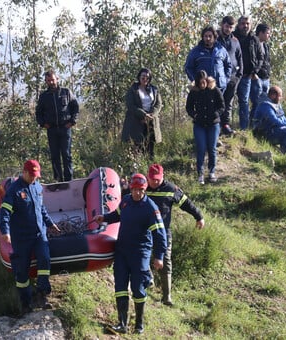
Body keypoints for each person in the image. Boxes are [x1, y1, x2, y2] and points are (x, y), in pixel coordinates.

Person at [94, 173, 166, 334]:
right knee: (120, 286)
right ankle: (122, 324)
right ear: (131, 188)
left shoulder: (151, 209)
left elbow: (160, 234)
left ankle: (139, 324)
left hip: (140, 252)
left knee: (137, 288)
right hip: (122, 250)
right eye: (134, 189)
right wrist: (104, 218)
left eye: (140, 190)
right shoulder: (126, 201)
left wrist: (159, 256)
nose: (137, 193)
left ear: (144, 189)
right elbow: (116, 215)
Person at [0, 159, 60, 315]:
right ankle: (26, 303)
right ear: (24, 172)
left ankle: (42, 294)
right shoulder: (14, 191)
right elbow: (4, 213)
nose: (34, 178)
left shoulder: (37, 187)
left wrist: (50, 224)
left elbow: (41, 208)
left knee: (44, 259)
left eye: (36, 176)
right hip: (21, 238)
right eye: (31, 175)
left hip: (39, 234)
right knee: (21, 273)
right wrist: (5, 231)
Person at [145, 163, 205, 306]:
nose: (154, 182)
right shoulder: (142, 186)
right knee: (141, 254)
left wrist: (199, 217)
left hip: (163, 232)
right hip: (143, 230)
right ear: (147, 177)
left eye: (157, 179)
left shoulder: (171, 189)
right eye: (151, 179)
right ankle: (148, 278)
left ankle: (167, 297)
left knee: (165, 262)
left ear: (163, 177)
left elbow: (186, 203)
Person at [35, 70, 79, 182]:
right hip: (52, 129)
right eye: (48, 80)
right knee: (55, 156)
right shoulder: (44, 96)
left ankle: (69, 180)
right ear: (46, 81)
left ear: (57, 79)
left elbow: (75, 107)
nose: (51, 82)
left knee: (66, 155)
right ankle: (59, 180)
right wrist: (43, 123)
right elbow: (38, 112)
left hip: (65, 128)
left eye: (53, 80)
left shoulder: (66, 92)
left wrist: (72, 121)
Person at [186, 70, 224, 184]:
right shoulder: (193, 92)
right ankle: (200, 174)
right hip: (199, 124)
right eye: (200, 83)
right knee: (201, 148)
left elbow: (222, 106)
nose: (202, 84)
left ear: (207, 81)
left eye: (204, 82)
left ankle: (212, 172)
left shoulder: (214, 90)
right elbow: (188, 107)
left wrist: (216, 113)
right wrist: (194, 115)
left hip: (213, 124)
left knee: (212, 148)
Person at [121, 68, 163, 159]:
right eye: (143, 77)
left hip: (151, 120)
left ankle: (150, 165)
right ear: (139, 77)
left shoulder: (154, 89)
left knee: (150, 144)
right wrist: (143, 114)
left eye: (147, 77)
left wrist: (152, 114)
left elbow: (159, 104)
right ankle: (138, 166)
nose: (145, 79)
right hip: (137, 121)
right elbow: (130, 105)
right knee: (138, 145)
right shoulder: (133, 89)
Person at [252, 86, 286, 157]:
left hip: (275, 130)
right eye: (280, 96)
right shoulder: (265, 105)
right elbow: (273, 120)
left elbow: (283, 117)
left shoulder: (276, 104)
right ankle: (282, 155)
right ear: (273, 95)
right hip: (265, 133)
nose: (281, 98)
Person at [234, 16, 264, 130]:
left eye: (247, 23)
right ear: (238, 24)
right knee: (240, 102)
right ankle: (240, 128)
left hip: (251, 76)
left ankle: (249, 127)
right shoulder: (233, 37)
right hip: (238, 75)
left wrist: (255, 70)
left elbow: (260, 57)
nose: (245, 26)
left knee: (253, 101)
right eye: (243, 23)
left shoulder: (254, 39)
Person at [217, 16, 243, 135]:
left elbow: (239, 58)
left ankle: (226, 125)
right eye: (227, 26)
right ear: (222, 25)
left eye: (231, 27)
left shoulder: (235, 41)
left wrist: (239, 75)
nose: (228, 29)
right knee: (217, 102)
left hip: (232, 77)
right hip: (217, 77)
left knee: (228, 103)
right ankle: (216, 126)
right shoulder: (214, 38)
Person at [184, 26, 232, 92]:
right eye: (205, 36)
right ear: (203, 37)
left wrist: (225, 79)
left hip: (219, 87)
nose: (208, 38)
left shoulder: (221, 50)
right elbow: (188, 68)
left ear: (214, 37)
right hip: (202, 88)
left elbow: (228, 65)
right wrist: (196, 80)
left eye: (210, 36)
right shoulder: (195, 51)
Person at [250, 23, 272, 121]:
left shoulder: (266, 46)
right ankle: (252, 124)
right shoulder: (253, 44)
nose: (269, 35)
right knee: (256, 102)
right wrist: (254, 73)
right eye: (267, 33)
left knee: (265, 102)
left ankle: (260, 124)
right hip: (256, 78)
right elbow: (252, 59)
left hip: (266, 78)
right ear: (261, 33)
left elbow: (267, 61)